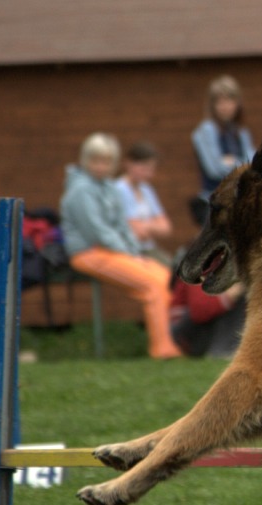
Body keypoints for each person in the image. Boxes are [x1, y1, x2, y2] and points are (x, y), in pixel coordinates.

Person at [60, 133, 182, 360]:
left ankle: (172, 343)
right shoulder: (79, 191)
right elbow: (97, 231)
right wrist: (129, 254)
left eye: (106, 161)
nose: (101, 166)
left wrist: (135, 251)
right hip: (88, 253)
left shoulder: (110, 187)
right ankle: (162, 349)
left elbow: (122, 226)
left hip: (114, 250)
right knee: (151, 284)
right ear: (86, 160)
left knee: (164, 276)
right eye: (96, 160)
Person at [190, 75, 256, 224]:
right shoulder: (206, 131)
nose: (225, 106)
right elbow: (214, 169)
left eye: (229, 100)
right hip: (214, 202)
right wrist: (240, 165)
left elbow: (253, 164)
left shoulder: (241, 132)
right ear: (212, 105)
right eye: (219, 101)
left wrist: (230, 161)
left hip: (239, 199)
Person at [115, 141, 173, 266]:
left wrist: (145, 226)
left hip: (149, 248)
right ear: (128, 163)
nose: (148, 174)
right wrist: (152, 224)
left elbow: (166, 228)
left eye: (151, 169)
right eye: (144, 168)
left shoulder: (146, 189)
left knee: (178, 271)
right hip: (131, 250)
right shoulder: (120, 189)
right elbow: (137, 233)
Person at [170, 278, 246, 358]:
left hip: (199, 328)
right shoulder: (200, 268)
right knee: (237, 302)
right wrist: (233, 293)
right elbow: (199, 312)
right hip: (184, 331)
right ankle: (222, 352)